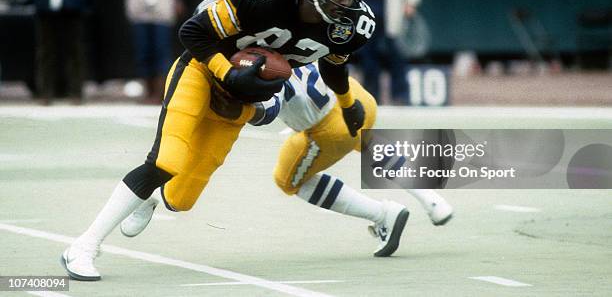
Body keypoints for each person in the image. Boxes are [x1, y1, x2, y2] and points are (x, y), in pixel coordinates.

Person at [61, 0, 380, 281]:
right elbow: (191, 32)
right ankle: (83, 246)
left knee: (180, 200)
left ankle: (149, 198)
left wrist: (347, 103)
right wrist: (226, 72)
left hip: (237, 102)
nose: (345, 3)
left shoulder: (349, 26)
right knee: (165, 161)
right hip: (201, 73)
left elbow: (332, 66)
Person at [117, 62, 453, 258]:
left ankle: (383, 214)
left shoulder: (264, 59)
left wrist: (240, 102)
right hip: (355, 97)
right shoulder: (295, 32)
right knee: (368, 143)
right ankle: (432, 200)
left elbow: (267, 111)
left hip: (326, 127)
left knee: (289, 179)